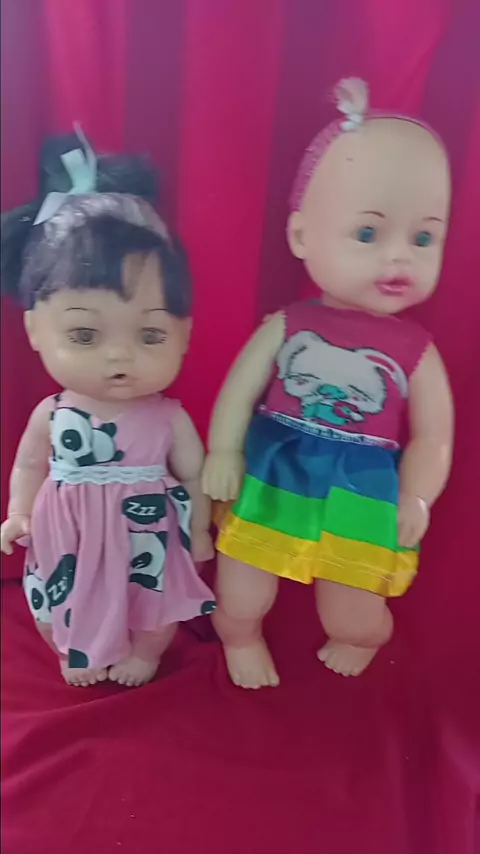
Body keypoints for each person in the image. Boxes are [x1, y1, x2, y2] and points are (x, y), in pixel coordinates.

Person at [202, 79, 454, 689]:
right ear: (300, 236)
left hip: (362, 486)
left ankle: (363, 637)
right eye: (368, 233)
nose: (399, 258)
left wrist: (417, 497)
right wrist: (223, 450)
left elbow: (434, 437)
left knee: (354, 610)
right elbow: (238, 391)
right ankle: (240, 637)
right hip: (276, 470)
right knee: (241, 592)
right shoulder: (289, 325)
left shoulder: (418, 350)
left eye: (423, 238)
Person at [1, 128, 215, 687]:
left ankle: (145, 654)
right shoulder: (53, 413)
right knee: (56, 596)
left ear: (184, 335)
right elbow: (29, 462)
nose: (119, 356)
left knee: (154, 601)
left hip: (147, 531)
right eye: (85, 335)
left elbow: (195, 474)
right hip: (66, 531)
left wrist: (198, 530)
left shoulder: (168, 416)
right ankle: (72, 649)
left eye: (150, 335)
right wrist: (19, 512)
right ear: (35, 330)